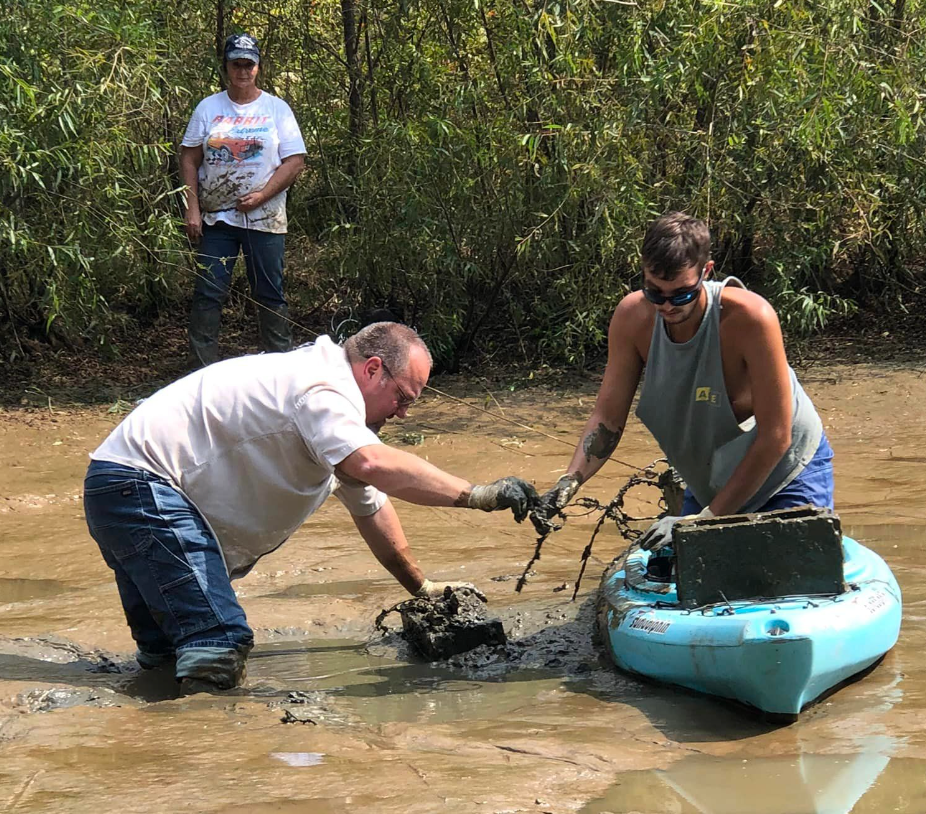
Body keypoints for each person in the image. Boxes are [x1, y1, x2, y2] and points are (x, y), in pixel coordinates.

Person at [83, 322, 538, 693]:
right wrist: (479, 494)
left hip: (122, 491)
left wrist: (422, 587)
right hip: (142, 488)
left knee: (168, 653)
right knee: (217, 642)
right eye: (402, 397)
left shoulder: (329, 408)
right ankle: (211, 761)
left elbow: (372, 509)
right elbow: (373, 463)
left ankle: (152, 744)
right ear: (373, 369)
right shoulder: (324, 389)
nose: (401, 414)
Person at [533, 212, 833, 551]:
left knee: (792, 580)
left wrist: (706, 519)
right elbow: (608, 419)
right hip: (711, 478)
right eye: (654, 292)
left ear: (706, 272)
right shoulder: (632, 318)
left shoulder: (750, 318)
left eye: (681, 295)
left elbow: (777, 436)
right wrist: (569, 481)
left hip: (786, 472)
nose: (667, 306)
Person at [180, 33, 306, 366]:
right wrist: (192, 208)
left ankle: (281, 373)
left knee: (269, 294)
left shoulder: (276, 109)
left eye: (248, 64)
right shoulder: (208, 108)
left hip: (265, 219)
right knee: (209, 293)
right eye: (236, 64)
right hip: (216, 220)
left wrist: (263, 195)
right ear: (226, 67)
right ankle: (200, 375)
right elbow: (189, 158)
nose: (242, 70)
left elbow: (295, 161)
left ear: (258, 68)